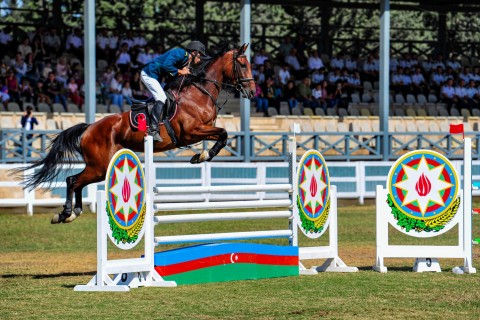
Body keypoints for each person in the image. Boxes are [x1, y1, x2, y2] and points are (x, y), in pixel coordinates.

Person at [140, 41, 206, 142]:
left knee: (167, 97)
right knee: (161, 98)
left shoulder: (186, 62)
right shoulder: (179, 53)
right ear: (194, 52)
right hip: (149, 73)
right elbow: (167, 66)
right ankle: (152, 130)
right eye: (200, 55)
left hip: (157, 77)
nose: (200, 58)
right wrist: (181, 71)